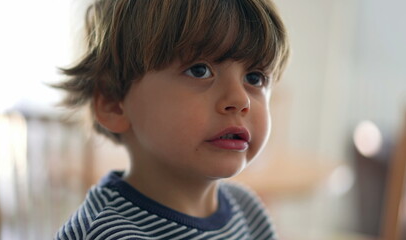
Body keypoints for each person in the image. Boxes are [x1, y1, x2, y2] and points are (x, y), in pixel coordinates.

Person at [54, 0, 290, 239]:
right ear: (114, 103)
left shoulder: (249, 213)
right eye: (200, 70)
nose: (241, 100)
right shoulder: (105, 233)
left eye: (255, 78)